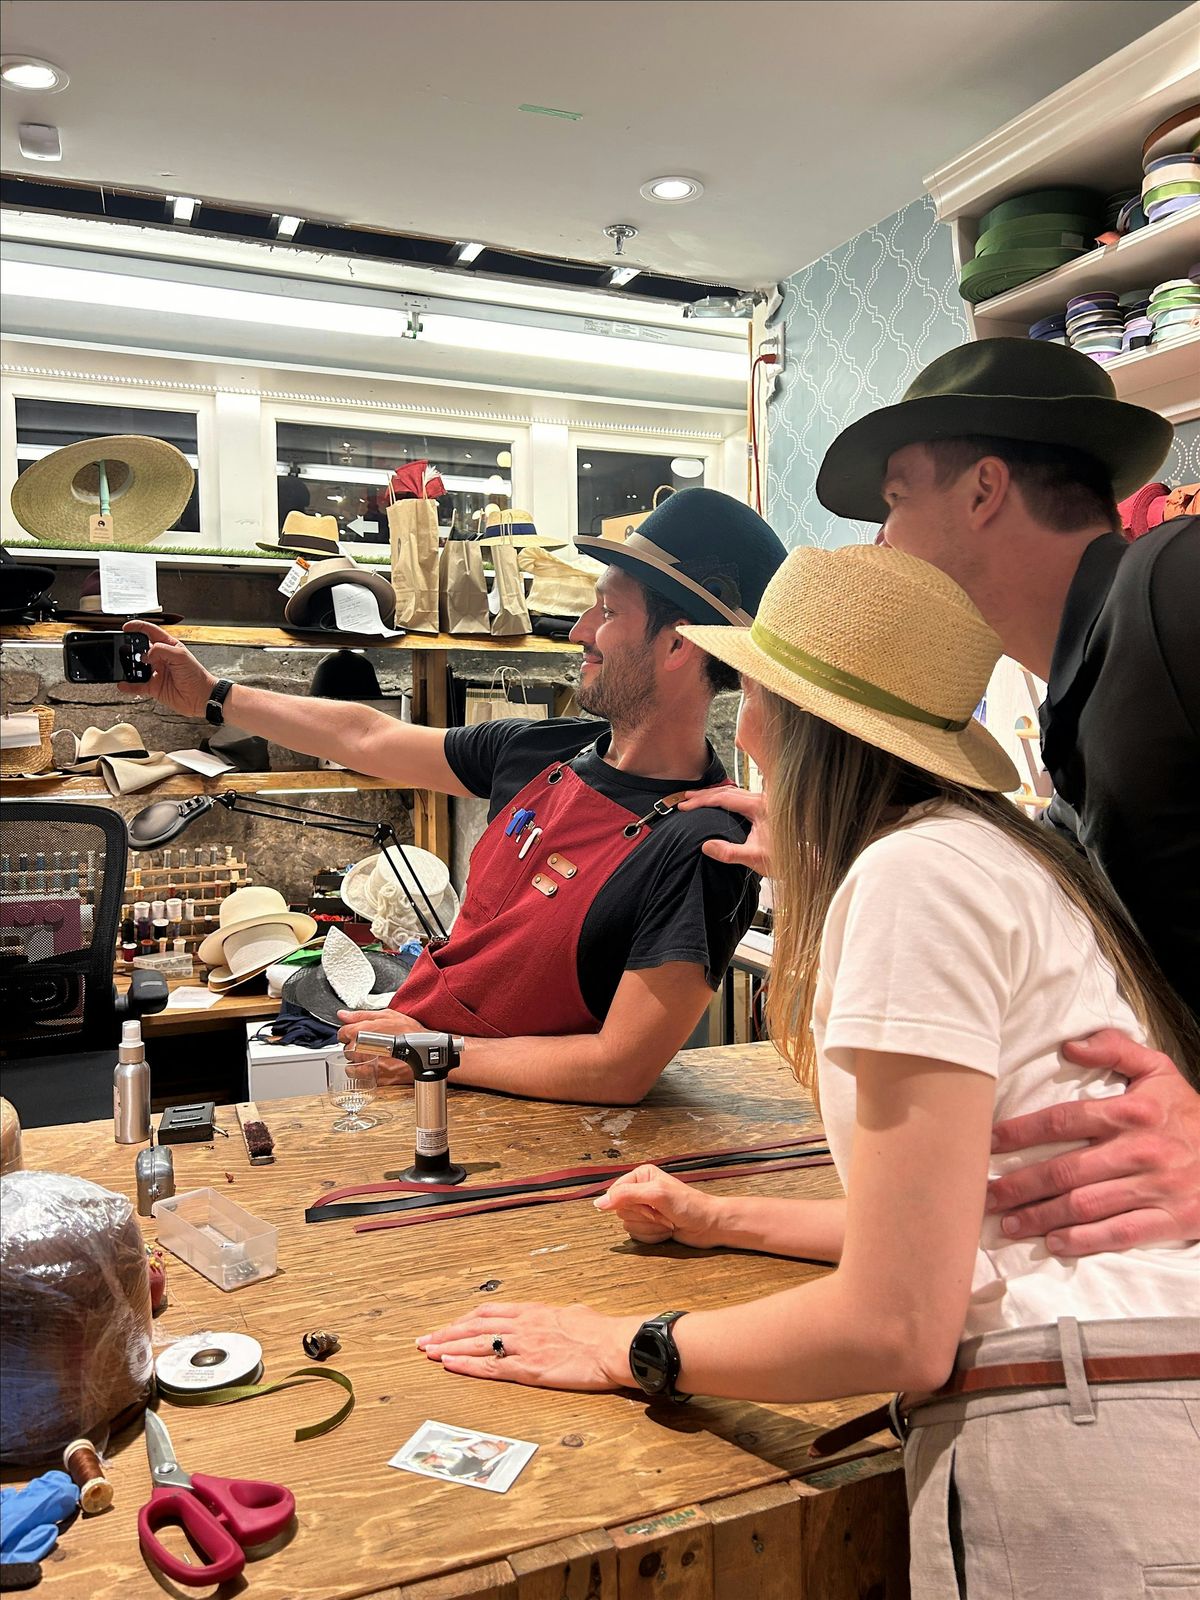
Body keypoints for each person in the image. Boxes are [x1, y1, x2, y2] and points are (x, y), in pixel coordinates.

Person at [416, 544, 1200, 1600]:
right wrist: (721, 1218)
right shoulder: (986, 854)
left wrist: (626, 1343)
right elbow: (949, 1223)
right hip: (1128, 1385)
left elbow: (896, 1324)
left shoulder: (914, 879)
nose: (741, 723)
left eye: (754, 690)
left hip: (1088, 1423)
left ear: (781, 720)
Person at [124, 487, 786, 1104]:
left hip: (518, 1132)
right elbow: (369, 737)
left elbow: (621, 1068)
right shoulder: (541, 750)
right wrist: (213, 696)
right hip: (412, 1084)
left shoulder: (705, 842)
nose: (580, 630)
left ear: (676, 645)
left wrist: (432, 1052)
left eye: (608, 611)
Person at [809, 337, 1200, 1261]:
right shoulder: (1082, 698)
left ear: (984, 490)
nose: (881, 544)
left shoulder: (1172, 586)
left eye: (897, 501)